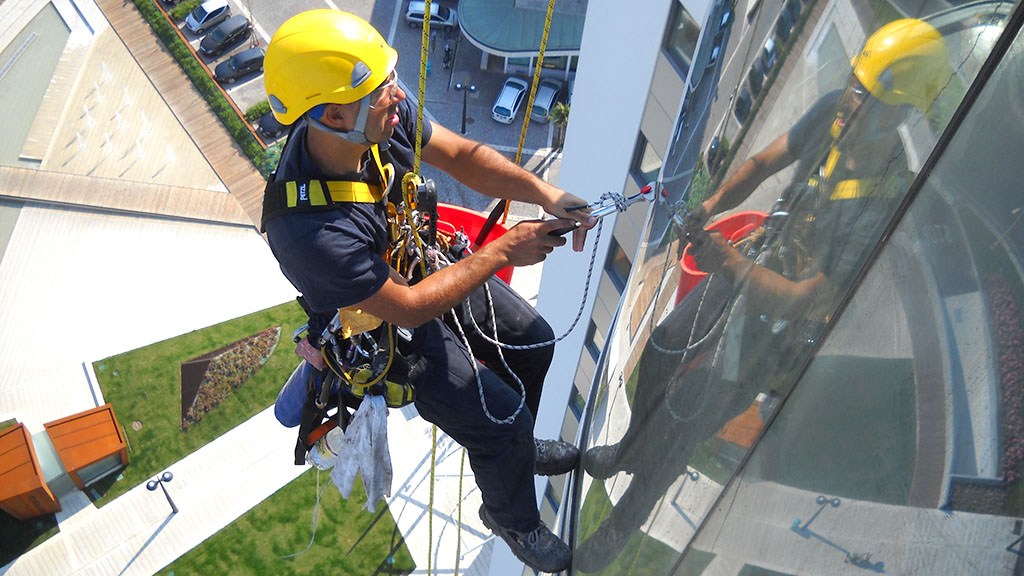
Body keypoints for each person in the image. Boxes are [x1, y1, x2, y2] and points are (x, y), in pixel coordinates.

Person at [576, 19, 951, 571]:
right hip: (755, 262)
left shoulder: (880, 202)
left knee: (682, 428)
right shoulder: (834, 114)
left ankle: (613, 533)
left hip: (777, 332)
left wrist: (727, 260)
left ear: (896, 114)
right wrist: (711, 208)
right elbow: (761, 163)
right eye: (852, 86)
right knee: (661, 346)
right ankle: (630, 449)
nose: (849, 103)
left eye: (866, 99)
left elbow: (806, 301)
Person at [261, 10, 595, 573]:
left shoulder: (375, 118)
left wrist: (545, 192)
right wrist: (505, 251)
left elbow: (462, 155)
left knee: (535, 342)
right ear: (333, 113)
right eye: (378, 90)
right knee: (500, 418)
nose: (396, 95)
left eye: (389, 81)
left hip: (416, 260)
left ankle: (512, 454)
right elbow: (411, 309)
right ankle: (511, 517)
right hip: (385, 330)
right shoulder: (307, 230)